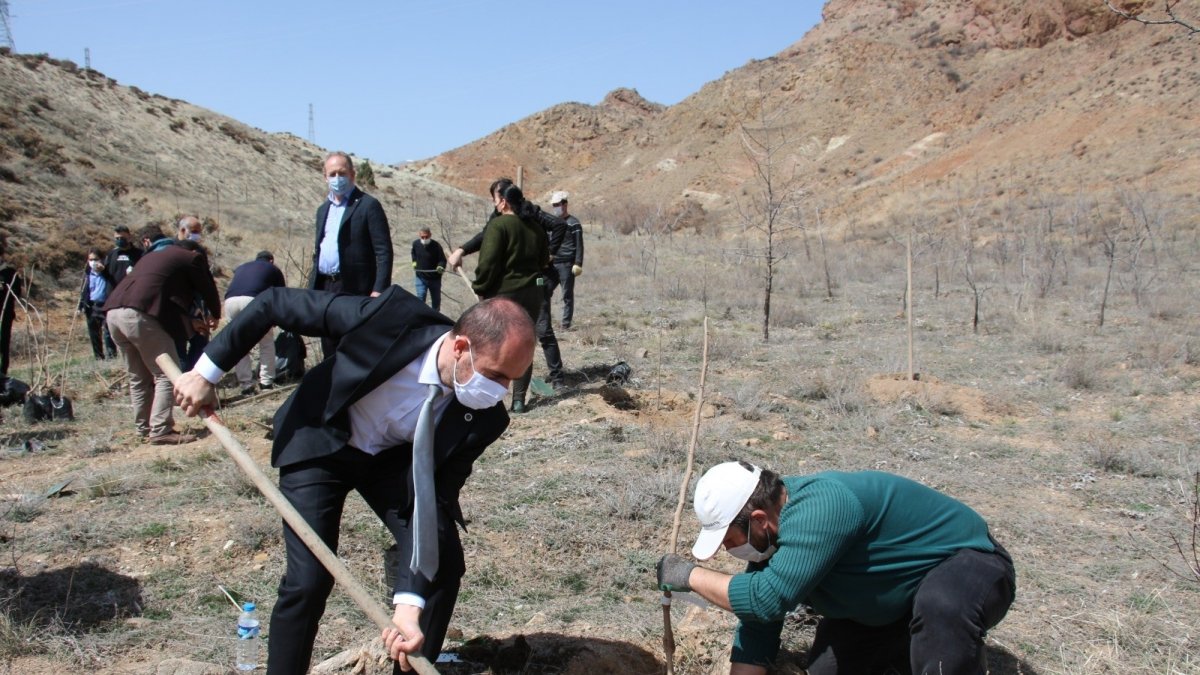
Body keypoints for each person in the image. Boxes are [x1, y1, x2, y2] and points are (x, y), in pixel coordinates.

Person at [172, 290, 536, 673]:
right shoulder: (389, 318)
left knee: (443, 560)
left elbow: (430, 501)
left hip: (389, 462)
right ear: (461, 346)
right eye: (496, 375)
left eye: (511, 379)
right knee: (309, 580)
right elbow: (273, 304)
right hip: (322, 440)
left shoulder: (485, 417)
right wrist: (205, 372)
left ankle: (411, 664)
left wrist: (409, 608)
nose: (501, 391)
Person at [657, 461, 1016, 675]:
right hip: (895, 604)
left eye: (729, 538)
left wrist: (688, 576)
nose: (727, 548)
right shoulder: (775, 532)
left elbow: (765, 599)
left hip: (972, 566)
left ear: (759, 520)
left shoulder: (825, 507)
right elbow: (759, 621)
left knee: (942, 604)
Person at [447, 178, 566, 412]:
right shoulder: (536, 228)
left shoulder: (498, 226)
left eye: (495, 200)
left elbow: (488, 265)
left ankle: (489, 401)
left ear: (503, 202)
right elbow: (544, 261)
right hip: (533, 293)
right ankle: (519, 400)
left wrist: (481, 288)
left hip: (504, 296)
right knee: (523, 344)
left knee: (493, 345)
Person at [104, 224, 220, 444]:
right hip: (138, 314)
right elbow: (207, 286)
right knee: (166, 374)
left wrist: (191, 322)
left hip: (114, 315)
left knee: (138, 377)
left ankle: (143, 428)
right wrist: (215, 312)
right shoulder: (190, 258)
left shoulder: (153, 260)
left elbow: (166, 304)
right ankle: (161, 429)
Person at [307, 151, 394, 360]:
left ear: (353, 174)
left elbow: (383, 250)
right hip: (325, 288)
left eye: (342, 173)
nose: (337, 178)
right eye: (332, 174)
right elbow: (318, 250)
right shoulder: (323, 210)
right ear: (325, 177)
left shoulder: (367, 205)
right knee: (329, 344)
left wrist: (378, 289)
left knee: (355, 344)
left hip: (355, 287)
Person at [223, 251, 286, 396]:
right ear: (271, 261)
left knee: (239, 344)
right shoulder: (273, 269)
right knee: (266, 342)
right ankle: (266, 382)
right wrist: (277, 318)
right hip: (252, 300)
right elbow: (281, 295)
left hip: (230, 302)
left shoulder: (242, 266)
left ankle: (246, 385)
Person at [548, 191, 584, 330]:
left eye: (557, 204)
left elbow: (579, 244)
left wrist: (578, 263)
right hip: (552, 263)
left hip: (567, 264)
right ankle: (545, 321)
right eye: (554, 205)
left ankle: (565, 324)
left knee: (567, 294)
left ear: (565, 204)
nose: (555, 207)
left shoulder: (574, 223)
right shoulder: (552, 222)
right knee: (545, 290)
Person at [78, 248, 117, 360]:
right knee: (94, 333)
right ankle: (98, 357)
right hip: (91, 306)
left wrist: (104, 271)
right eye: (90, 259)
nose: (93, 262)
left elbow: (113, 283)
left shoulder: (108, 272)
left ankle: (112, 355)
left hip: (105, 305)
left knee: (108, 332)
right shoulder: (87, 274)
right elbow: (84, 291)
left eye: (96, 259)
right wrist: (81, 305)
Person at [410, 227, 447, 312]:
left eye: (426, 237)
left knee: (436, 300)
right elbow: (413, 255)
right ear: (419, 235)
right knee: (420, 297)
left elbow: (442, 260)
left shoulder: (436, 246)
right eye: (422, 237)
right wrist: (414, 264)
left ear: (430, 235)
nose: (424, 239)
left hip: (435, 279)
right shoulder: (415, 244)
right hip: (420, 277)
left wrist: (440, 266)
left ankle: (436, 316)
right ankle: (421, 315)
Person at [0, 238, 21, 381]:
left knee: (3, 344)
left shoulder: (9, 273)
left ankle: (2, 373)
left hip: (4, 314)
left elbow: (16, 293)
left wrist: (4, 289)